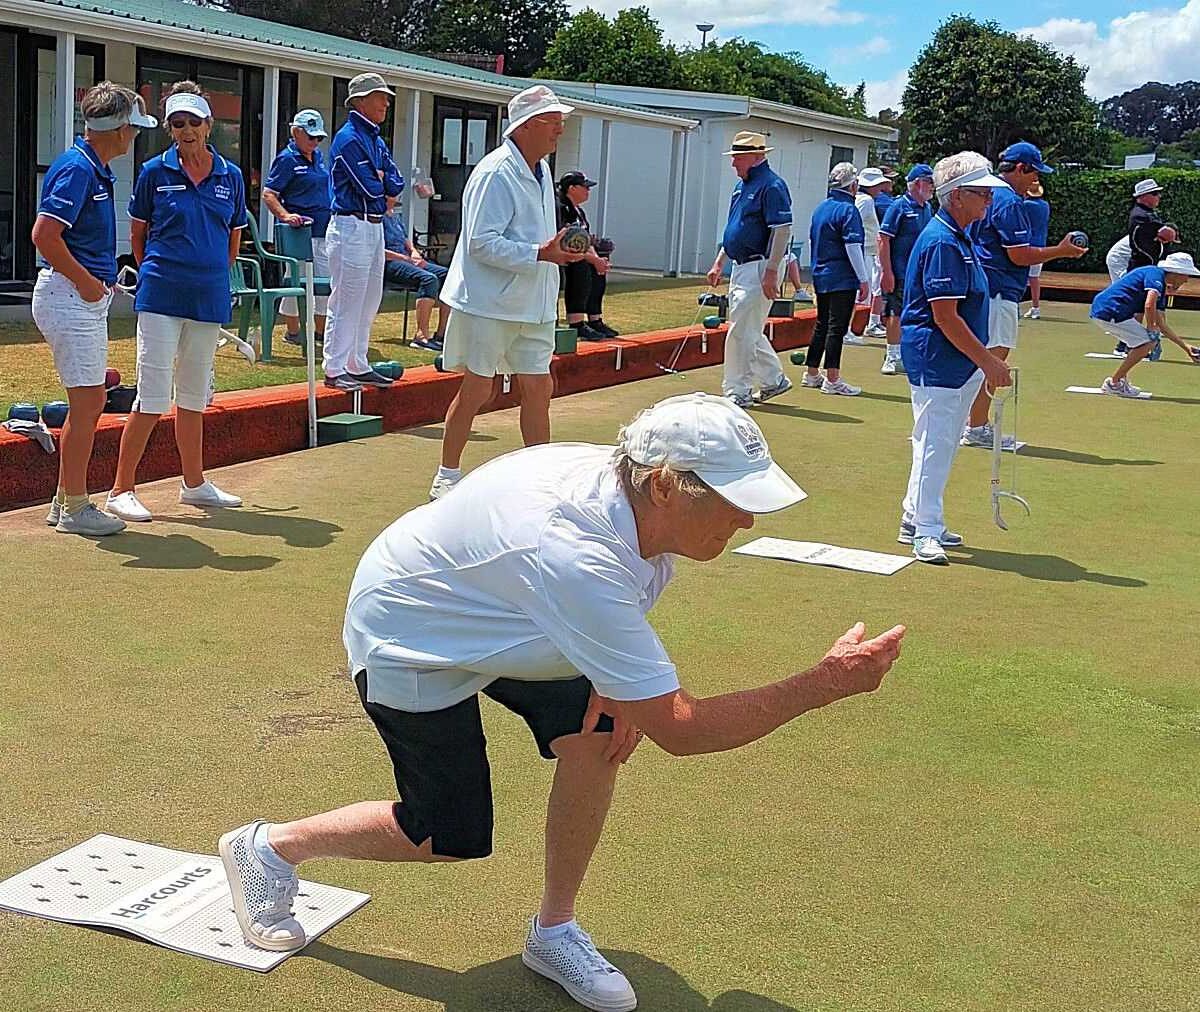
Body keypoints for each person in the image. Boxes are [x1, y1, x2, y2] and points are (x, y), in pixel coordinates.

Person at [215, 391, 906, 1012]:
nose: (749, 518)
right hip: (412, 633)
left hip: (513, 610)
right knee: (444, 837)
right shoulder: (573, 552)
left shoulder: (635, 503)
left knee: (601, 731)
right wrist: (826, 682)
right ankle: (268, 848)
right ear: (666, 484)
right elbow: (685, 731)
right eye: (733, 498)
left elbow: (603, 604)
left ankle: (553, 930)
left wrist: (613, 682)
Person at [430, 85, 584, 501]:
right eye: (553, 121)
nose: (560, 129)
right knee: (478, 389)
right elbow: (480, 243)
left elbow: (536, 237)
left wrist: (558, 251)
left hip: (535, 303)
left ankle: (539, 480)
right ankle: (446, 475)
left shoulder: (542, 170)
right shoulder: (494, 173)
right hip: (490, 303)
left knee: (539, 387)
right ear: (527, 125)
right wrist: (541, 253)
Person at [104, 82, 246, 523]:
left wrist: (208, 274)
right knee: (151, 395)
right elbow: (138, 236)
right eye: (178, 123)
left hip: (208, 298)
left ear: (208, 125)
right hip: (161, 296)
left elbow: (232, 242)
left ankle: (194, 483)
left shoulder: (231, 176)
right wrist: (158, 272)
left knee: (193, 397)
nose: (187, 130)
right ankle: (120, 489)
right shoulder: (153, 172)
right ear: (169, 129)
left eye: (193, 122)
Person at [31, 82, 156, 536]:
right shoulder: (79, 169)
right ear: (120, 130)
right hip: (69, 296)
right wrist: (86, 282)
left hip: (77, 295)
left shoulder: (91, 167)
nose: (134, 136)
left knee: (89, 401)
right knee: (88, 404)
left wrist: (97, 281)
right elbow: (44, 236)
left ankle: (64, 501)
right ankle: (76, 507)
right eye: (134, 129)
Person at [899, 152, 1011, 565]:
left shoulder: (958, 235)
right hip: (938, 359)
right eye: (982, 193)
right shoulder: (943, 241)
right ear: (957, 195)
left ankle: (917, 517)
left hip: (954, 361)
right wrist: (989, 362)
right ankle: (926, 528)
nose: (989, 200)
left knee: (937, 442)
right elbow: (945, 316)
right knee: (935, 443)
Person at [961, 141, 1085, 448]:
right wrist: (1062, 250)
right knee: (994, 357)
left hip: (984, 284)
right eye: (1034, 172)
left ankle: (969, 422)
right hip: (999, 288)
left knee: (982, 356)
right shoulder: (1009, 201)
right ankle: (975, 427)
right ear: (1020, 168)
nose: (1036, 179)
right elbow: (1018, 255)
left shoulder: (989, 194)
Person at [323, 72, 404, 392]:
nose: (386, 102)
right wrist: (382, 183)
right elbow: (371, 187)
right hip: (350, 224)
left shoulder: (375, 139)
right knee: (347, 299)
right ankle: (334, 368)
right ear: (359, 101)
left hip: (373, 226)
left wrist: (383, 182)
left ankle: (357, 363)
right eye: (379, 96)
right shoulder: (348, 138)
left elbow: (395, 181)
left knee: (370, 299)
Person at [704, 131, 792, 408]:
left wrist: (771, 271)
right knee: (747, 327)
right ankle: (773, 379)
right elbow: (735, 227)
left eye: (738, 158)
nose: (733, 163)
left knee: (741, 331)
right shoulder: (741, 186)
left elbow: (782, 230)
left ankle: (737, 389)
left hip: (760, 264)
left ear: (756, 157)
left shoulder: (773, 185)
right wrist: (720, 261)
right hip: (741, 265)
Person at [262, 109, 332, 348]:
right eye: (311, 137)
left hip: (323, 229)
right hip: (299, 232)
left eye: (319, 138)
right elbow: (269, 194)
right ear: (296, 132)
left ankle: (319, 333)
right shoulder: (287, 159)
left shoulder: (318, 157)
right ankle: (294, 332)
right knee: (296, 281)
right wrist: (285, 215)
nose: (315, 142)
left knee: (325, 281)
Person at [1089, 252, 1200, 397]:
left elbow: (1161, 324)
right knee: (1147, 343)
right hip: (1111, 311)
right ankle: (1114, 383)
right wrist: (1151, 328)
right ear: (1176, 273)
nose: (1186, 280)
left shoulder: (1160, 285)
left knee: (1141, 342)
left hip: (1109, 311)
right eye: (1186, 275)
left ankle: (1118, 381)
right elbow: (1149, 305)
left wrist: (1186, 347)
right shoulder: (1155, 275)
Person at [801, 162, 869, 396]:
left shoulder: (821, 208)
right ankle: (832, 378)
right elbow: (852, 246)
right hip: (842, 276)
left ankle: (812, 373)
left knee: (822, 324)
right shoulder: (849, 210)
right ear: (852, 185)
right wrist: (863, 279)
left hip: (821, 273)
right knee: (836, 327)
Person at [877, 163, 934, 375]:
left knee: (918, 314)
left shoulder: (927, 208)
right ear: (918, 183)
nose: (933, 186)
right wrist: (887, 272)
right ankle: (892, 356)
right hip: (900, 271)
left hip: (921, 273)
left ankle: (911, 354)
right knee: (895, 312)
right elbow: (883, 239)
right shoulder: (898, 206)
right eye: (929, 182)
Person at [1118, 179, 1179, 355]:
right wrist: (1165, 232)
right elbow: (1167, 233)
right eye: (1154, 193)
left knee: (1150, 307)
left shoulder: (1149, 215)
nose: (1158, 197)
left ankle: (1134, 344)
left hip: (1149, 267)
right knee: (1140, 308)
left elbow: (1168, 232)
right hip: (1141, 267)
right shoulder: (1140, 215)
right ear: (1142, 196)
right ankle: (1128, 345)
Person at [557, 171, 615, 343]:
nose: (588, 191)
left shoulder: (579, 212)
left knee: (598, 269)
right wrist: (593, 260)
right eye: (585, 187)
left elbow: (586, 240)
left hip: (579, 254)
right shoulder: (561, 208)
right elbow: (566, 241)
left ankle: (595, 319)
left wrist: (598, 259)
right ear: (572, 188)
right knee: (581, 268)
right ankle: (576, 323)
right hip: (562, 256)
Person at [382, 207, 450, 350]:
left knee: (448, 276)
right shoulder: (377, 217)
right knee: (429, 279)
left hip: (406, 259)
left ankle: (441, 335)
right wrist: (404, 258)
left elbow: (406, 240)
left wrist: (414, 253)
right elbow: (377, 250)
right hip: (389, 262)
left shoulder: (395, 216)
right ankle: (421, 336)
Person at [848, 167, 887, 341]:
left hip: (867, 250)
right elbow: (854, 219)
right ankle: (847, 329)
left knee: (864, 291)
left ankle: (850, 328)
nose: (880, 188)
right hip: (865, 250)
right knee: (860, 291)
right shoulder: (866, 200)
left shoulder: (862, 198)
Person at [1022, 180, 1050, 320]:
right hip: (1041, 244)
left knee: (1021, 276)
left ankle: (1016, 305)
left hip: (1027, 244)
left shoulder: (1025, 205)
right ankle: (1035, 307)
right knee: (1034, 277)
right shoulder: (1045, 205)